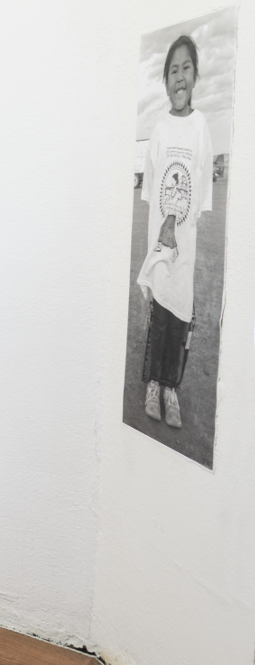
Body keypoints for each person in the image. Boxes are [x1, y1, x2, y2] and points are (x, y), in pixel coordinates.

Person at [137, 35, 212, 429]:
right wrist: (160, 236)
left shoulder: (201, 126)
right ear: (165, 82)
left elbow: (200, 191)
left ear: (195, 76)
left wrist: (184, 232)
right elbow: (152, 190)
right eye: (172, 71)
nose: (179, 77)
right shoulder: (159, 128)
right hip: (159, 240)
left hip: (185, 244)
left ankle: (171, 387)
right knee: (160, 312)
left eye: (186, 68)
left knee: (180, 314)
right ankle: (152, 382)